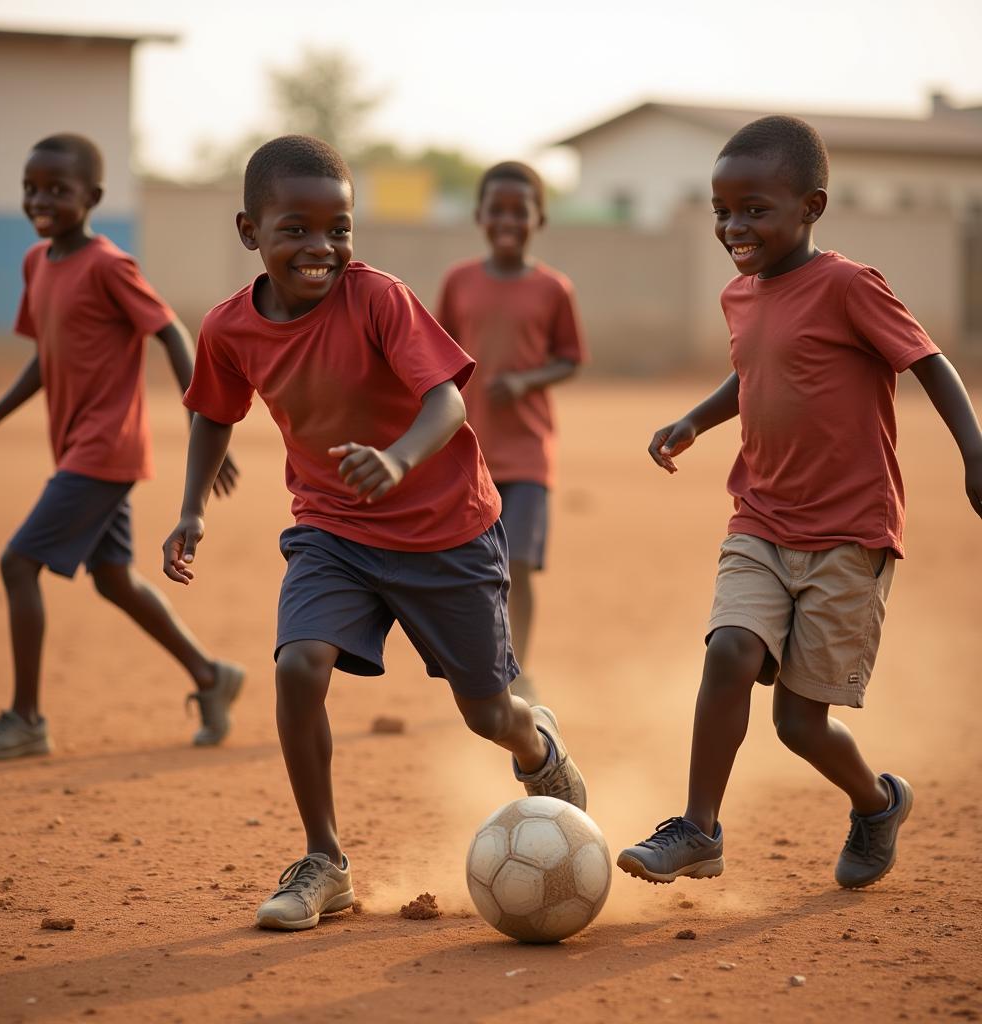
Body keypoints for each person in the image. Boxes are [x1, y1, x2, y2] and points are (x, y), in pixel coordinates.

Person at [160, 135, 587, 932]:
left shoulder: (380, 298)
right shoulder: (227, 329)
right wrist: (192, 508)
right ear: (250, 231)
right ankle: (325, 860)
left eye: (339, 228)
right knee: (298, 666)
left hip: (446, 529)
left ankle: (539, 748)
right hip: (333, 529)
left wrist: (396, 461)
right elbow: (212, 412)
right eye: (296, 229)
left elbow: (449, 402)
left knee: (488, 713)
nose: (321, 247)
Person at [618, 116, 982, 890]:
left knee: (797, 723)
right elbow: (752, 371)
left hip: (851, 532)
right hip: (761, 516)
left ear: (811, 206)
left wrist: (974, 450)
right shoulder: (738, 295)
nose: (733, 227)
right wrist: (695, 418)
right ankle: (700, 829)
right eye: (722, 210)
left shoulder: (851, 285)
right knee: (728, 650)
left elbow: (930, 362)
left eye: (755, 209)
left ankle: (878, 802)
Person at [0, 133, 244, 761]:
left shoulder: (111, 265)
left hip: (104, 448)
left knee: (16, 563)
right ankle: (210, 675)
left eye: (58, 190)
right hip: (78, 449)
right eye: (32, 188)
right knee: (113, 579)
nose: (41, 200)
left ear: (93, 197)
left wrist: (206, 416)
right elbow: (46, 355)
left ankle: (27, 719)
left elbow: (170, 332)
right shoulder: (37, 263)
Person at [436, 162, 587, 704]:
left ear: (538, 218)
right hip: (465, 450)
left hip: (527, 452)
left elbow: (570, 358)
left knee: (516, 563)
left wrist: (526, 380)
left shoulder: (553, 289)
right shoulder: (459, 281)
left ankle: (515, 667)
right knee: (474, 568)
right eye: (496, 210)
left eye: (518, 210)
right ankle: (483, 664)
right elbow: (437, 354)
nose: (506, 220)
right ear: (479, 215)